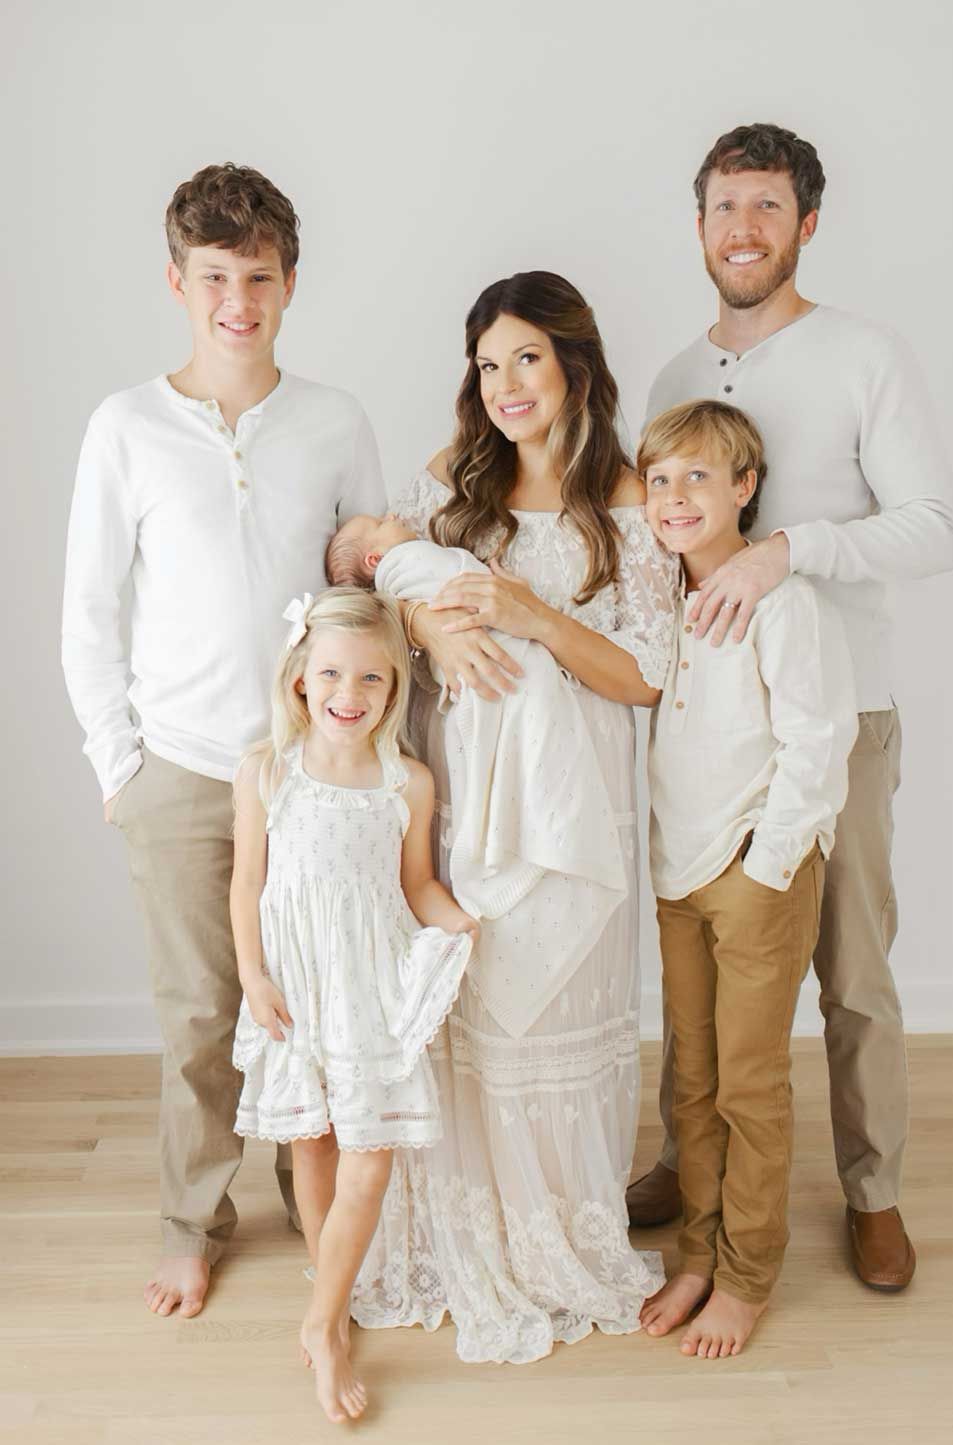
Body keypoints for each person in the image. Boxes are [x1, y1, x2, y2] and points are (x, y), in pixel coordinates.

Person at [626, 123, 953, 1292]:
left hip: (840, 713)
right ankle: (689, 1157)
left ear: (805, 223)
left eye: (767, 206)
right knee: (702, 962)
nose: (743, 229)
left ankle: (872, 1189)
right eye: (725, 206)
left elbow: (936, 525)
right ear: (700, 222)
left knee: (850, 967)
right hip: (709, 732)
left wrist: (789, 553)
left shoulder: (864, 354)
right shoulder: (675, 378)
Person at [60, 163, 386, 1319]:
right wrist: (121, 770)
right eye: (214, 277)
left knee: (317, 999)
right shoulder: (126, 427)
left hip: (312, 773)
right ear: (177, 281)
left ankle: (321, 1202)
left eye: (257, 275)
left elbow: (364, 599)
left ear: (289, 283)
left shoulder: (335, 420)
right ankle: (190, 1217)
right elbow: (89, 610)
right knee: (200, 1009)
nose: (236, 299)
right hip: (183, 768)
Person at [348, 271, 677, 1363]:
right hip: (460, 787)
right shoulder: (453, 484)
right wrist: (436, 631)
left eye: (525, 358)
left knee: (553, 1014)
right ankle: (470, 1224)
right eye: (487, 364)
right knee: (471, 1009)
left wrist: (532, 612)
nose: (504, 385)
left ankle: (556, 1232)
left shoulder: (628, 499)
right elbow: (388, 585)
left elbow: (642, 676)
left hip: (573, 804)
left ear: (575, 363)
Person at [634, 399, 856, 1355]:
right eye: (659, 479)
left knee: (749, 1083)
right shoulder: (657, 599)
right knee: (692, 1080)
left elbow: (819, 738)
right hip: (678, 871)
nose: (676, 496)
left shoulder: (782, 599)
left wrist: (768, 864)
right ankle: (697, 1251)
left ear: (745, 488)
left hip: (756, 872)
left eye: (699, 477)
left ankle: (748, 1270)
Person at [230, 588, 475, 1422]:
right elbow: (247, 884)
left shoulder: (407, 780)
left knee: (370, 1160)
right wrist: (253, 975)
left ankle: (321, 1322)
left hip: (368, 984)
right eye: (333, 671)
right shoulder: (267, 771)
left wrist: (462, 924)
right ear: (300, 675)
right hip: (296, 985)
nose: (351, 692)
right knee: (315, 1147)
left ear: (394, 687)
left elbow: (417, 885)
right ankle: (331, 1305)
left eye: (372, 677)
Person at [325, 512, 628, 1038]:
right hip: (495, 674)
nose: (393, 515)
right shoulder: (407, 561)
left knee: (527, 711)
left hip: (526, 664)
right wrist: (419, 614)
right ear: (378, 561)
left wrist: (527, 613)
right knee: (521, 703)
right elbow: (378, 617)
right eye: (379, 523)